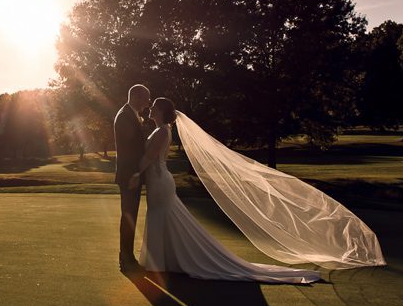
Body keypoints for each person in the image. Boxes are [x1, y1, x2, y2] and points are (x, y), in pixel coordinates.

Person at [133, 97, 324, 283]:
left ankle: (159, 262)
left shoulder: (162, 131)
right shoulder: (162, 130)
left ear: (161, 111)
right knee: (162, 217)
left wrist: (135, 173)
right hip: (157, 180)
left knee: (159, 215)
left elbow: (150, 157)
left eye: (154, 106)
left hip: (159, 181)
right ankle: (162, 261)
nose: (150, 108)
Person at [113, 84, 152, 272]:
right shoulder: (124, 116)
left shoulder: (131, 114)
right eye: (146, 98)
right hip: (129, 176)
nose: (148, 103)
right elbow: (128, 151)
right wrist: (135, 174)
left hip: (133, 175)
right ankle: (126, 259)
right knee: (128, 217)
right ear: (136, 96)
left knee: (131, 216)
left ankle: (127, 256)